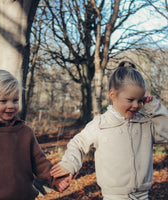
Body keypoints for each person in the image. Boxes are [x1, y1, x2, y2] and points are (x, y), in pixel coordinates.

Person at [50, 61, 168, 200]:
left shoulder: (145, 123)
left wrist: (155, 107)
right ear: (113, 95)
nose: (136, 105)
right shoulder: (100, 125)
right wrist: (69, 164)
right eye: (130, 99)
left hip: (143, 196)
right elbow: (78, 144)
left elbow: (165, 134)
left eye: (140, 100)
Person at [0, 69, 66, 200]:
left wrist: (57, 179)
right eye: (3, 101)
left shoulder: (25, 132)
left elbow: (40, 163)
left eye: (15, 100)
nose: (11, 106)